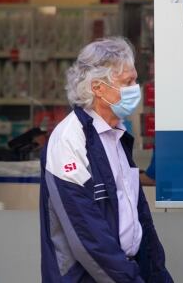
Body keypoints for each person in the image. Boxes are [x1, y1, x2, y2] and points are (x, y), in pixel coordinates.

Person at [40, 37, 172, 282]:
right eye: (128, 82)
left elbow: (138, 217)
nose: (136, 88)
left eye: (136, 80)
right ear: (98, 87)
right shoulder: (70, 140)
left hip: (125, 270)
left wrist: (158, 275)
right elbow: (88, 236)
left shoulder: (117, 135)